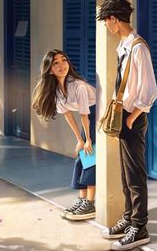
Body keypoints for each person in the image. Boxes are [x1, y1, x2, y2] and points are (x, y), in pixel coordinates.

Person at [97, 0, 157, 250]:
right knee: (125, 174)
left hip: (133, 117)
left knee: (135, 175)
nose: (106, 26)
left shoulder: (137, 47)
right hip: (124, 116)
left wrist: (133, 117)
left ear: (114, 19)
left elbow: (149, 90)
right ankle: (129, 218)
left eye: (106, 21)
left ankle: (140, 227)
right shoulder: (123, 44)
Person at [32, 49, 96, 221]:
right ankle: (82, 200)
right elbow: (68, 114)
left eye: (64, 60)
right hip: (87, 120)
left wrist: (88, 140)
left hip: (96, 115)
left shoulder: (78, 86)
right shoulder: (57, 91)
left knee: (89, 158)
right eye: (56, 63)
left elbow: (84, 114)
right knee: (80, 159)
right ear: (50, 69)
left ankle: (90, 203)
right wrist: (79, 140)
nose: (62, 65)